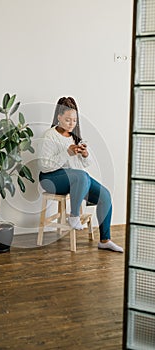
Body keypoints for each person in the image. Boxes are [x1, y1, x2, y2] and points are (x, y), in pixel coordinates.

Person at [38, 96, 123, 253]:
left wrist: (84, 154)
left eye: (75, 120)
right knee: (82, 176)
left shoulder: (74, 136)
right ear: (59, 117)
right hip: (51, 179)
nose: (72, 124)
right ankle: (74, 216)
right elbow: (44, 165)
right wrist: (67, 152)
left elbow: (83, 165)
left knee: (105, 195)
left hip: (76, 179)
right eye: (68, 120)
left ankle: (105, 240)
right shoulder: (49, 135)